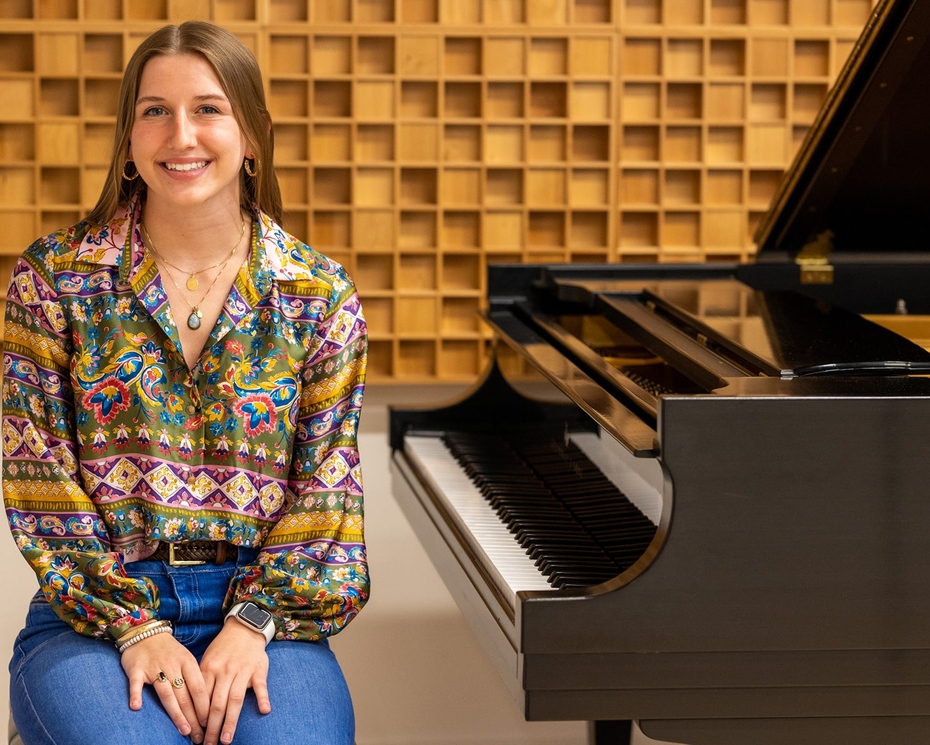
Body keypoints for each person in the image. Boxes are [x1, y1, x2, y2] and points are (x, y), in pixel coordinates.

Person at [2, 20, 368, 745]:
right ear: (130, 140)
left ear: (252, 135)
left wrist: (251, 622)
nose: (182, 134)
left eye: (208, 108)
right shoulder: (53, 281)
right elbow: (36, 472)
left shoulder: (318, 295)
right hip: (95, 617)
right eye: (155, 111)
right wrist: (135, 626)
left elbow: (327, 487)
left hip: (268, 617)